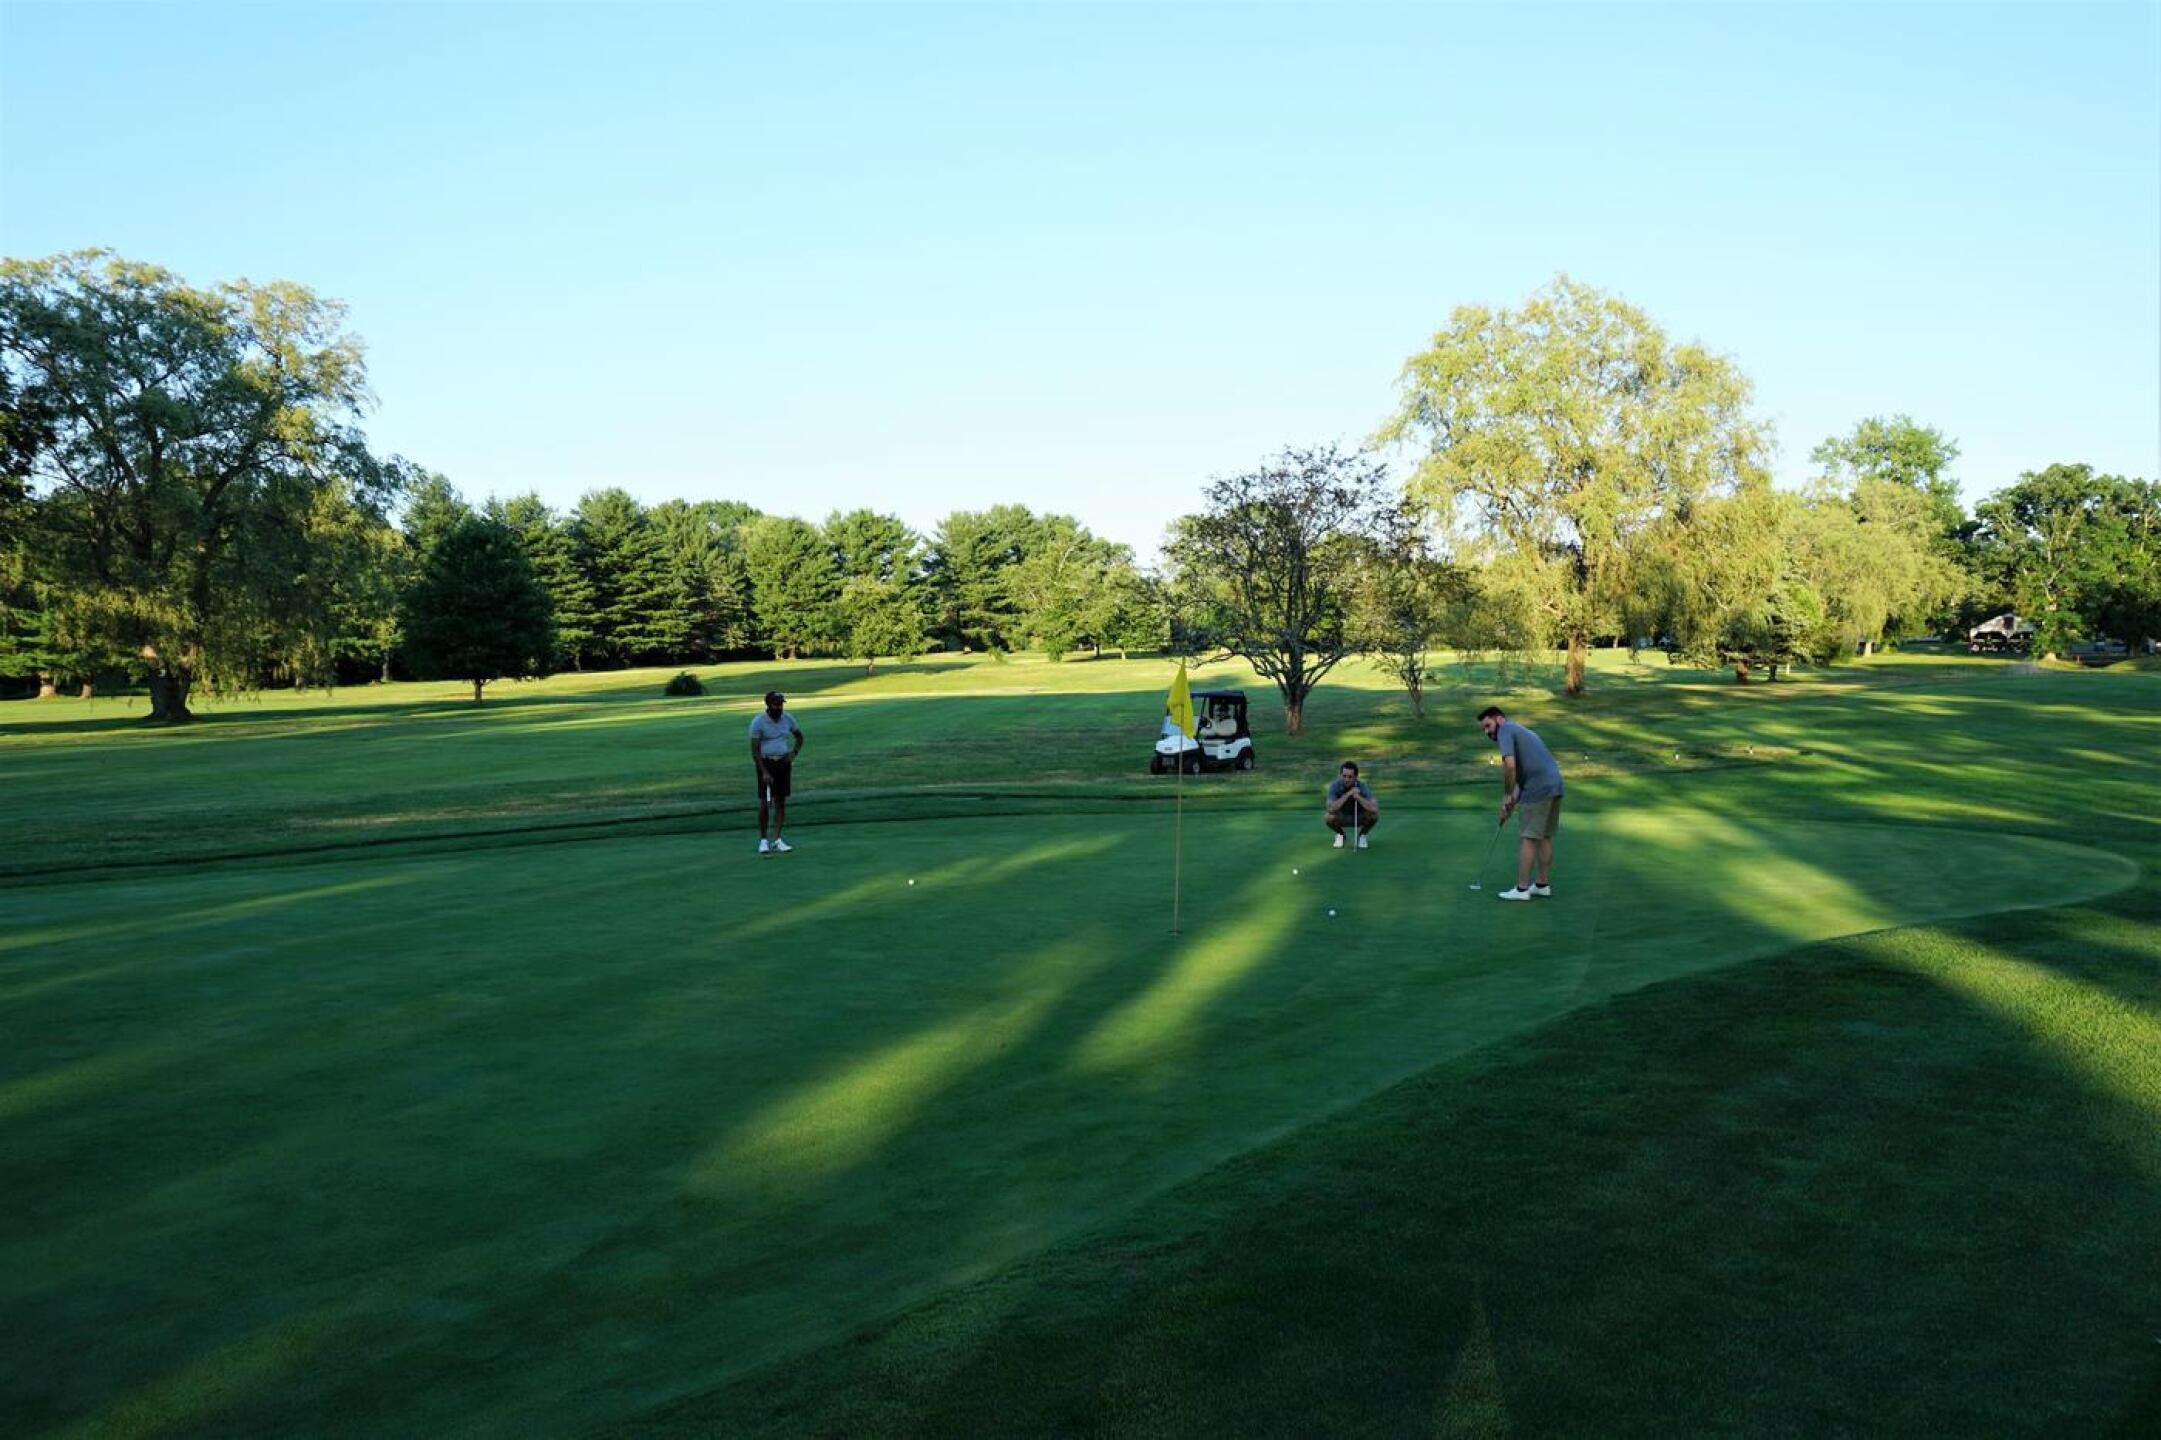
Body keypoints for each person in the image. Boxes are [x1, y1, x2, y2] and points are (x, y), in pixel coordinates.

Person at [1477, 705, 1562, 900]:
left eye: (1488, 725)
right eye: (1484, 729)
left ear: (1499, 719)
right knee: (1544, 836)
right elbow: (1522, 780)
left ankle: (1522, 890)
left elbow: (1509, 766)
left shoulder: (1505, 730)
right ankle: (1542, 885)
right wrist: (1510, 804)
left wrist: (1507, 795)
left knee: (1528, 838)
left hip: (1538, 787)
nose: (1487, 732)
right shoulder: (1522, 731)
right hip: (1554, 784)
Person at [749, 690, 805, 854]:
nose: (779, 707)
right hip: (765, 763)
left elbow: (800, 737)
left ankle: (777, 840)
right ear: (768, 705)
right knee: (765, 803)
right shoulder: (758, 722)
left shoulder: (788, 718)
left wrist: (793, 753)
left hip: (783, 763)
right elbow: (755, 751)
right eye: (776, 704)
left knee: (780, 802)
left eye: (781, 704)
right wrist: (764, 772)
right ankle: (763, 840)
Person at [1324, 760, 1379, 849]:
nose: (1346, 779)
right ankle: (1341, 835)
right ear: (1340, 775)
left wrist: (1358, 797)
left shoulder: (1362, 786)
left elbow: (1374, 808)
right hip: (1342, 817)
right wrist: (1348, 794)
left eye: (1350, 777)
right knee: (1328, 817)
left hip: (1359, 817)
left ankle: (1362, 835)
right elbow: (1330, 808)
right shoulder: (1335, 786)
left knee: (1374, 816)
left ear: (1356, 777)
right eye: (1344, 776)